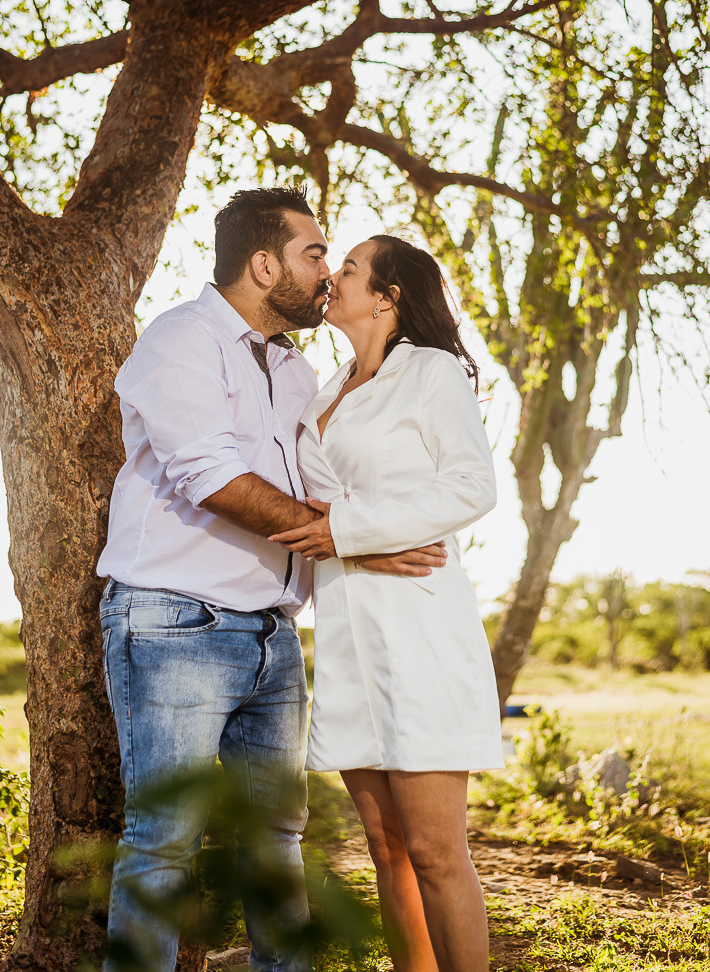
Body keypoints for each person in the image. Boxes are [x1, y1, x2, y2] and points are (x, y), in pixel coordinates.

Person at [96, 189, 448, 972]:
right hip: (173, 622)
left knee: (278, 840)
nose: (328, 272)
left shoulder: (294, 370)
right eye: (315, 253)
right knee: (162, 839)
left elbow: (326, 484)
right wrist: (345, 539)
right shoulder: (180, 340)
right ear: (264, 264)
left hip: (272, 632)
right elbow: (211, 476)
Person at [270, 235, 505, 972]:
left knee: (436, 852)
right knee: (387, 849)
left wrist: (347, 532)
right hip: (343, 634)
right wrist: (352, 544)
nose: (329, 277)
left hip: (419, 629)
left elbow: (471, 487)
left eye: (346, 269)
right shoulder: (321, 391)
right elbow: (309, 513)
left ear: (386, 296)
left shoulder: (431, 373)